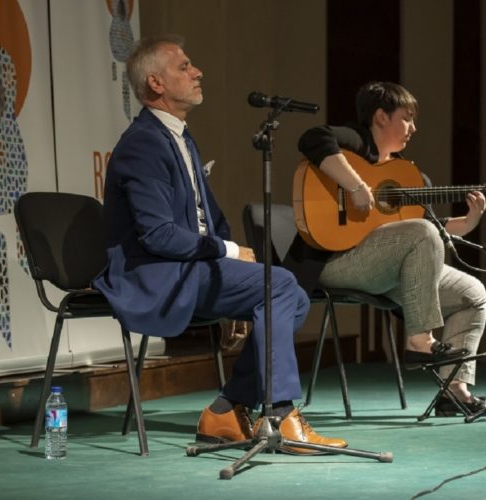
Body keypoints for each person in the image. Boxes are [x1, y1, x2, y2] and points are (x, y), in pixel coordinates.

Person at [92, 34, 348, 453]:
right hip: (157, 275)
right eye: (185, 67)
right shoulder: (142, 144)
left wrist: (235, 268)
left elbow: (209, 220)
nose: (198, 72)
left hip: (191, 267)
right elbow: (157, 236)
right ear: (156, 84)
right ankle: (281, 414)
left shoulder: (180, 137)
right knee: (281, 285)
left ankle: (224, 410)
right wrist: (228, 253)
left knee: (293, 296)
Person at [288, 81, 486, 415]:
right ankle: (418, 340)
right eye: (407, 118)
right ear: (381, 117)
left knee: (473, 293)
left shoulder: (411, 178)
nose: (413, 127)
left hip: (387, 269)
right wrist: (354, 185)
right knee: (422, 232)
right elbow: (312, 138)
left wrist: (467, 223)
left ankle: (454, 390)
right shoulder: (356, 142)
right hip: (335, 261)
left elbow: (428, 234)